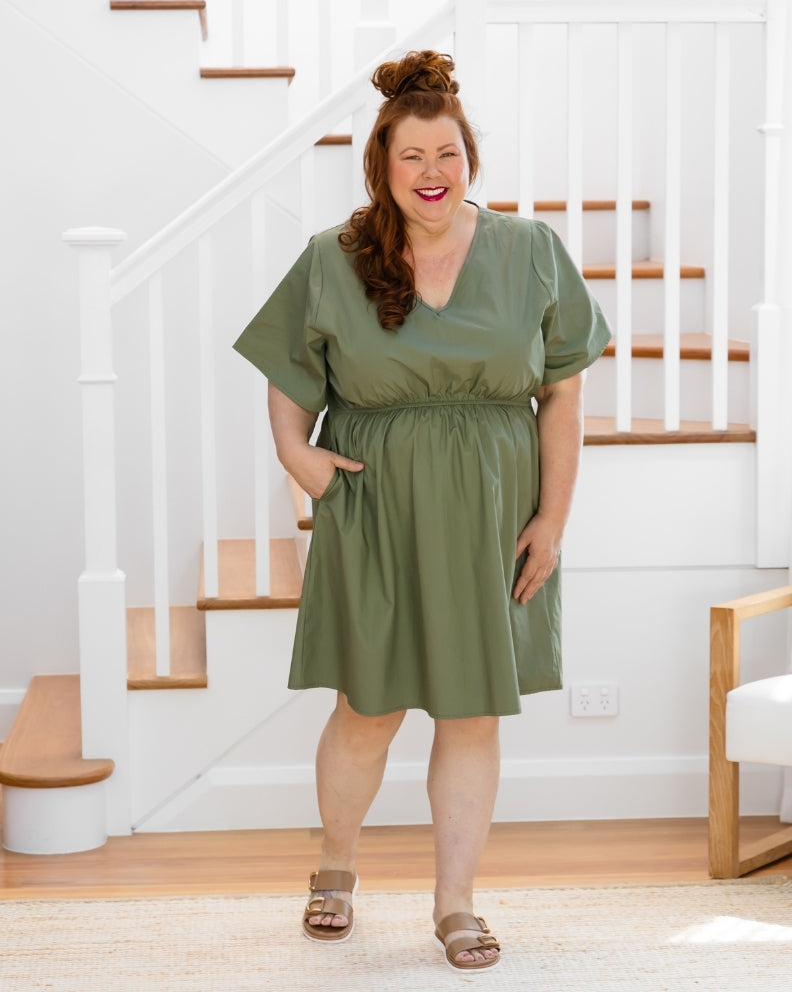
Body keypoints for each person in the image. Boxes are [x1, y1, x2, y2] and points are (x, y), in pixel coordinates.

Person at [233, 49, 611, 972]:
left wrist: (552, 520)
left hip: (493, 513)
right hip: (374, 507)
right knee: (368, 707)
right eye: (413, 156)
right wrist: (295, 453)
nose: (432, 172)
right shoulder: (334, 256)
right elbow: (289, 371)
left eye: (448, 154)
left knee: (472, 714)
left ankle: (456, 903)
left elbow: (563, 393)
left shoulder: (531, 251)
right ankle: (335, 869)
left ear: (469, 159)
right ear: (382, 165)